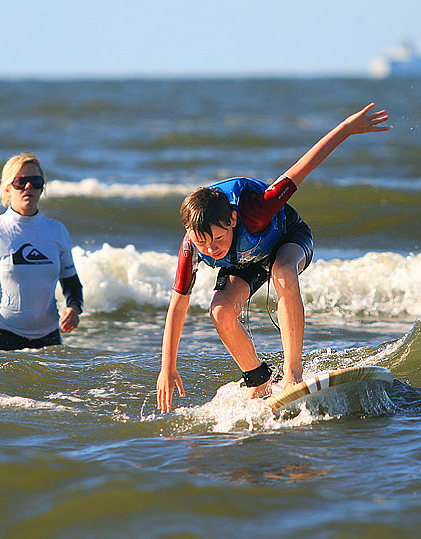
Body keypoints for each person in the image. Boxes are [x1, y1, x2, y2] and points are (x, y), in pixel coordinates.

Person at [157, 103, 390, 413]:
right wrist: (167, 367)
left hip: (288, 239)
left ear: (234, 220)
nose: (211, 249)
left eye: (218, 239)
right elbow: (178, 306)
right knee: (220, 311)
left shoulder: (256, 209)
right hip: (246, 263)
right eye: (202, 242)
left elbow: (303, 167)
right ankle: (258, 379)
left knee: (282, 271)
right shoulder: (192, 245)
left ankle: (293, 374)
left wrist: (347, 127)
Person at [0, 152, 83, 351]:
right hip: (4, 336)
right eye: (21, 182)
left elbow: (71, 282)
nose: (29, 187)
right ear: (7, 189)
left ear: (42, 188)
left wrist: (74, 308)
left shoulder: (57, 230)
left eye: (36, 182)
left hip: (49, 338)